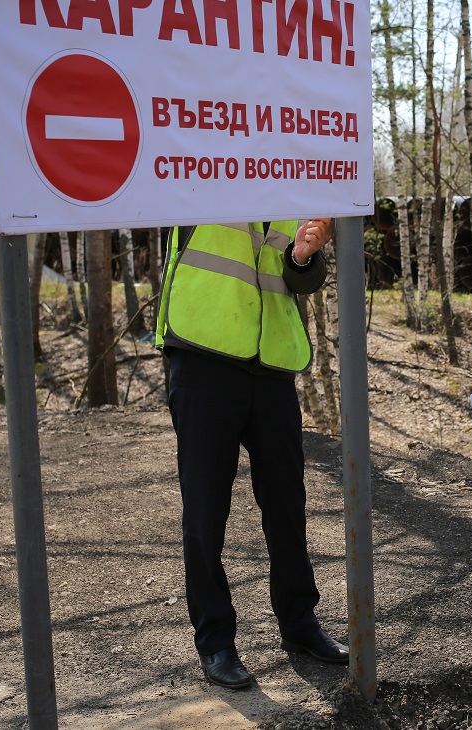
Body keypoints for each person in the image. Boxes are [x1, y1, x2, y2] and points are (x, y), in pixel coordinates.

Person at [154, 218, 348, 691]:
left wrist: (304, 255)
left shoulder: (287, 187)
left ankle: (300, 625)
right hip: (203, 357)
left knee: (287, 506)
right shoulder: (198, 168)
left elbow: (298, 280)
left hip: (271, 367)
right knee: (205, 513)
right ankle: (216, 641)